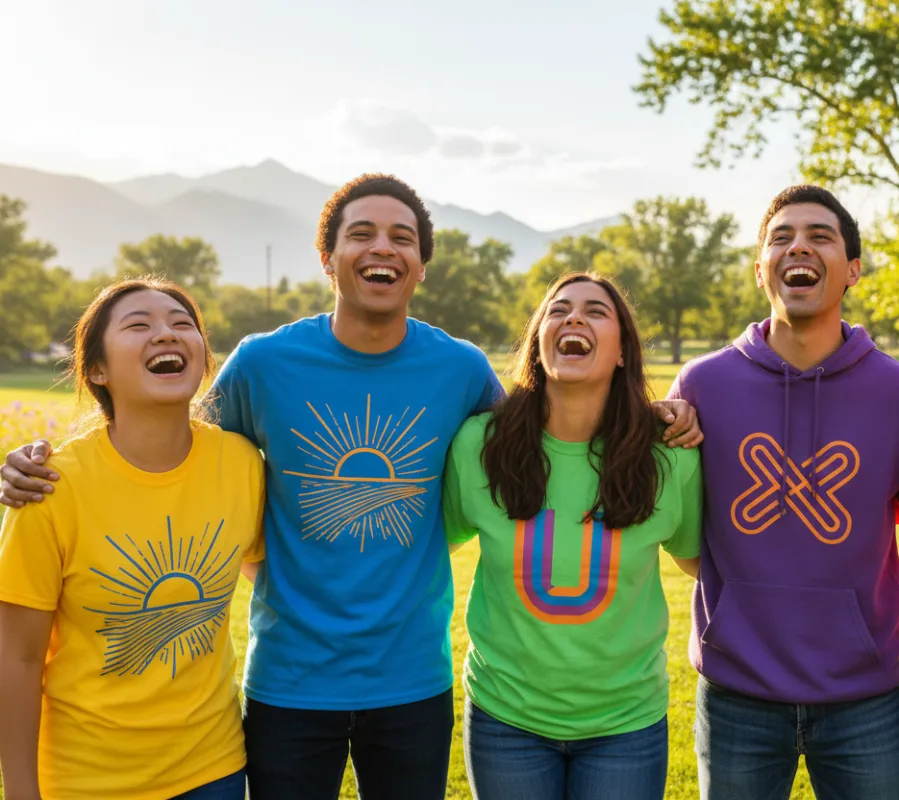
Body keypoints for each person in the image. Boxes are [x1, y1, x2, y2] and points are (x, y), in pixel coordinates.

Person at [0, 173, 702, 799]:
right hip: (289, 683)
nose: (382, 248)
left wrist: (655, 415)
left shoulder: (458, 369)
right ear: (327, 256)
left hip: (412, 683)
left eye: (402, 237)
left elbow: (543, 422)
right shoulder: (261, 363)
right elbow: (182, 449)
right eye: (360, 233)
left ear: (422, 265)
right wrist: (39, 462)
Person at [667, 184, 899, 800]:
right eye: (781, 238)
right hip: (736, 691)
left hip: (862, 698)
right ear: (761, 266)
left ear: (852, 269)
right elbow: (678, 526)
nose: (800, 247)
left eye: (821, 236)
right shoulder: (704, 384)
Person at [0, 278, 265, 800]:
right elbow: (17, 658)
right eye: (138, 325)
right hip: (86, 781)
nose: (166, 334)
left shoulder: (241, 464)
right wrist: (22, 790)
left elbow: (264, 568)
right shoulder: (50, 487)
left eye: (182, 323)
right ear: (96, 370)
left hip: (214, 770)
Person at [443, 273, 702, 800]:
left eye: (595, 311)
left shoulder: (669, 455)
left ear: (624, 352)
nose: (574, 318)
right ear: (539, 341)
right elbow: (431, 546)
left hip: (626, 723)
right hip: (505, 717)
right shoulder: (478, 445)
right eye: (558, 310)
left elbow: (697, 560)